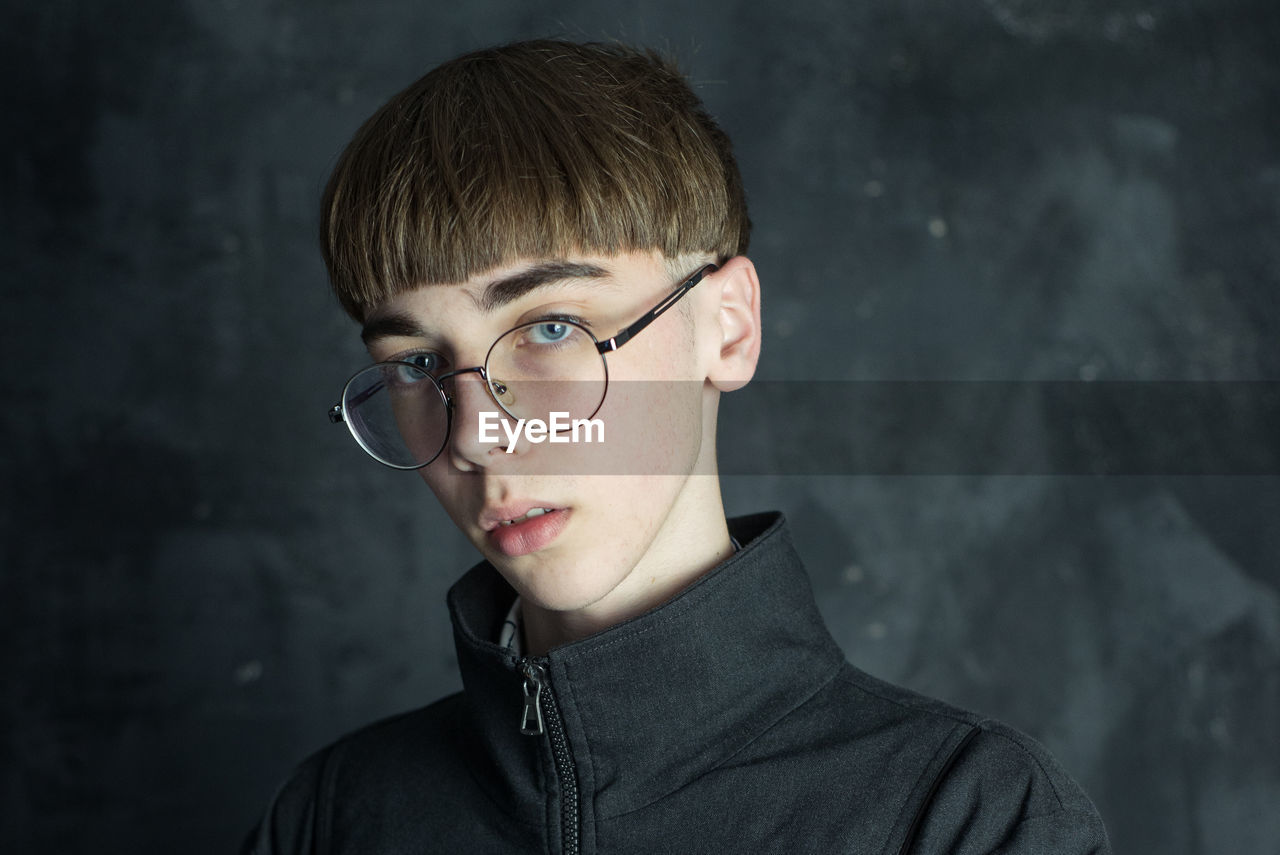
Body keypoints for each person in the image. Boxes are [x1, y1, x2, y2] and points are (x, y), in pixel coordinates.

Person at [244, 39, 1110, 854]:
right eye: (418, 363)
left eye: (550, 326)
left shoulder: (966, 817)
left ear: (727, 328)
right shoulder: (332, 817)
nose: (476, 432)